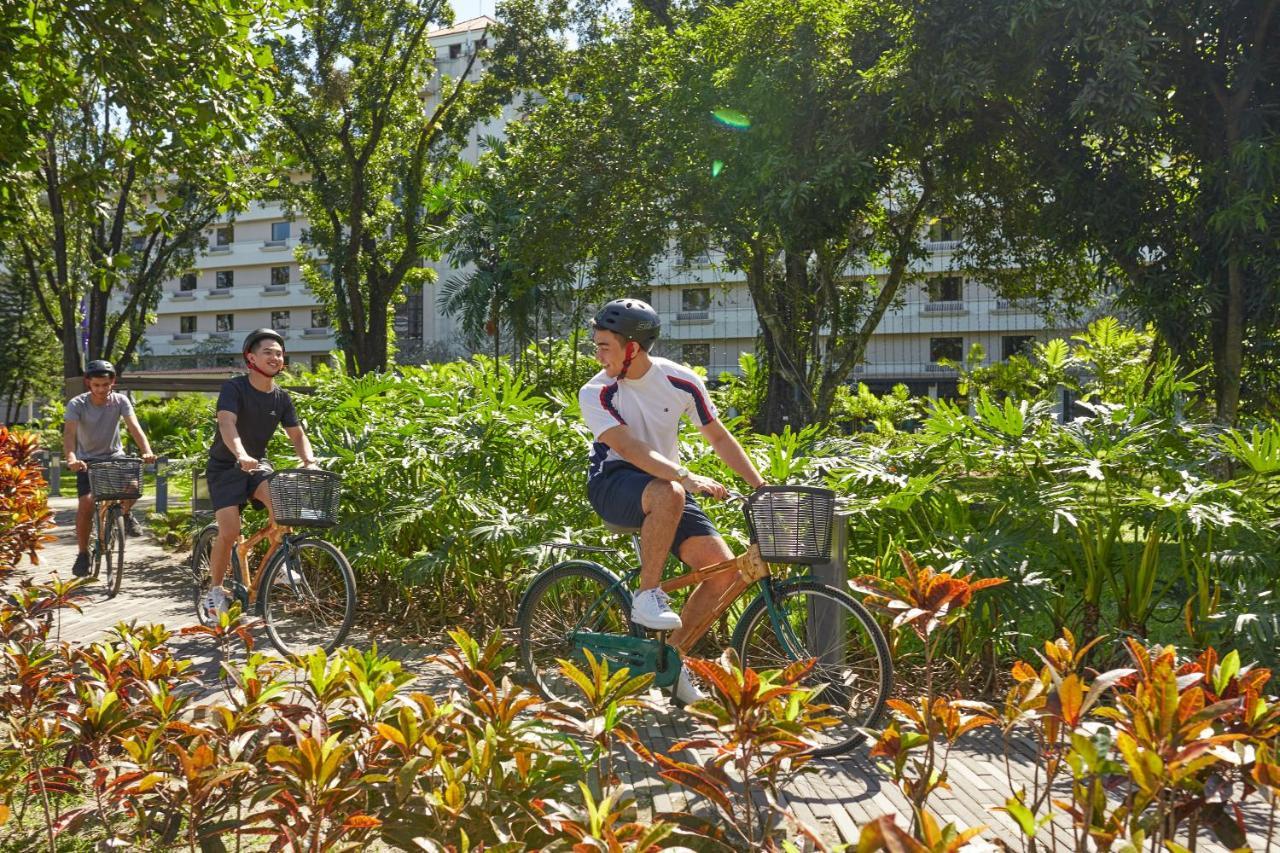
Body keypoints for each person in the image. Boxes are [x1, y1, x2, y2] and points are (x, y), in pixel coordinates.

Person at [578, 298, 766, 705]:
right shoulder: (597, 391)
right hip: (613, 482)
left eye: (604, 345)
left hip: (667, 489)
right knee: (671, 491)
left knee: (724, 574)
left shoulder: (680, 380)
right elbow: (628, 447)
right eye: (596, 345)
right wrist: (684, 476)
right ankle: (647, 596)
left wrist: (759, 485)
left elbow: (717, 436)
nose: (598, 354)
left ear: (633, 347)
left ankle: (670, 665)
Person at [203, 328, 318, 618]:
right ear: (250, 358)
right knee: (229, 532)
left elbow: (297, 434)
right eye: (268, 352)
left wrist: (309, 461)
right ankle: (215, 591)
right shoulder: (235, 388)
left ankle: (282, 567)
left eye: (279, 353)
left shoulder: (281, 398)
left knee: (282, 502)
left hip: (256, 464)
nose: (275, 357)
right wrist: (240, 454)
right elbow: (227, 423)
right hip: (225, 467)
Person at [64, 360, 158, 577]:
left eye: (105, 385)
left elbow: (134, 427)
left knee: (133, 487)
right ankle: (82, 554)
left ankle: (124, 513)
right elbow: (69, 435)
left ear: (112, 383)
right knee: (87, 504)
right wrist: (71, 458)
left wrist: (147, 451)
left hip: (115, 457)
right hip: (87, 461)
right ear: (89, 383)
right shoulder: (77, 404)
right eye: (96, 385)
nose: (101, 390)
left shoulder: (120, 401)